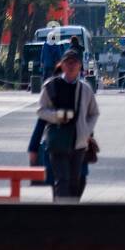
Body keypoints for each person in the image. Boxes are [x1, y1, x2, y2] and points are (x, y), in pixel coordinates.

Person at [37, 47, 99, 201]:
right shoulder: (50, 86)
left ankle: (71, 212)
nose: (71, 66)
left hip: (78, 142)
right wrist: (56, 116)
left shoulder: (85, 89)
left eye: (75, 63)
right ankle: (63, 216)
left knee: (75, 181)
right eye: (68, 62)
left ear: (80, 66)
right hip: (57, 140)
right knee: (62, 180)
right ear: (62, 65)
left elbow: (94, 113)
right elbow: (41, 110)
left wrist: (86, 131)